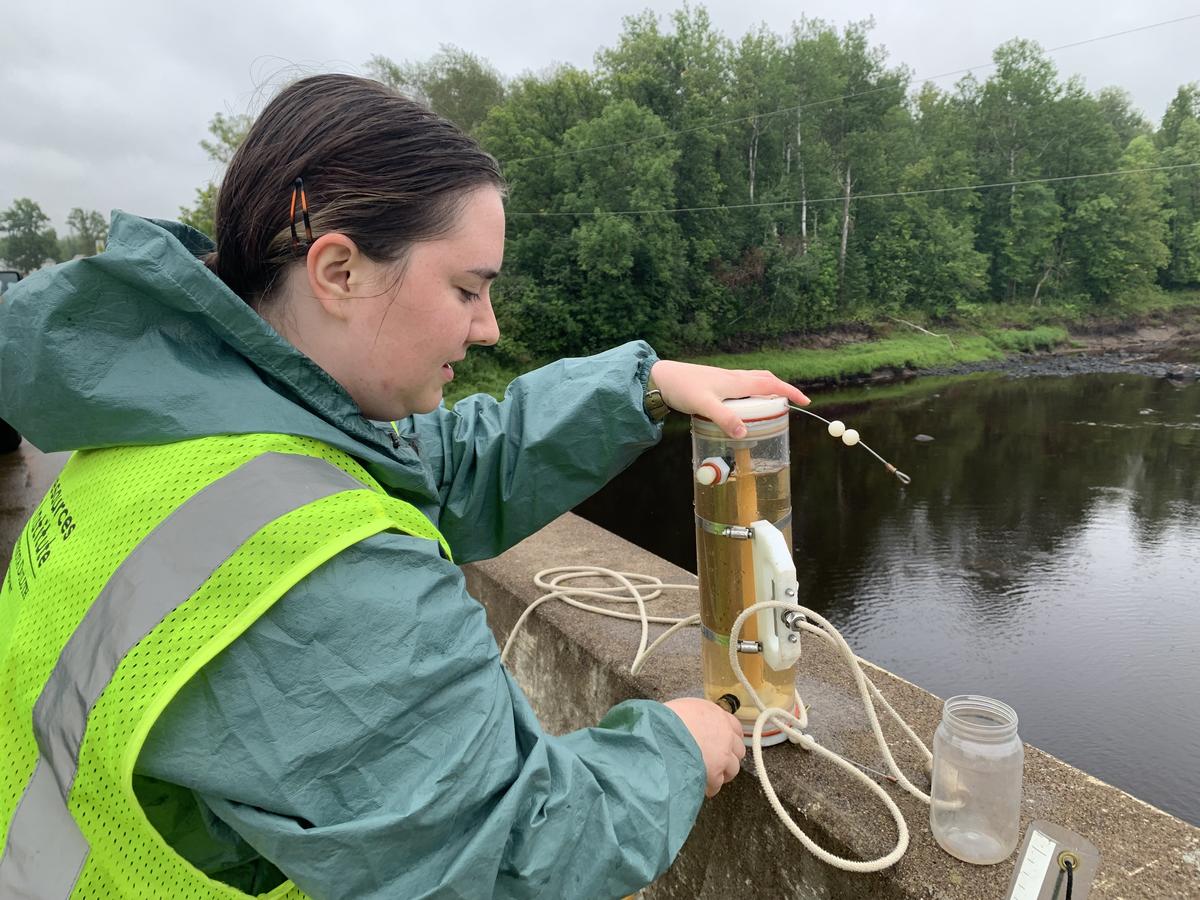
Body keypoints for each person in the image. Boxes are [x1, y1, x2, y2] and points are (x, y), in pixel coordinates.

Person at [0, 74, 809, 899]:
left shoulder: (169, 418)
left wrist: (643, 384)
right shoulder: (323, 574)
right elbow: (508, 855)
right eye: (467, 288)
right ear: (340, 271)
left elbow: (435, 463)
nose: (488, 325)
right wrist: (675, 746)